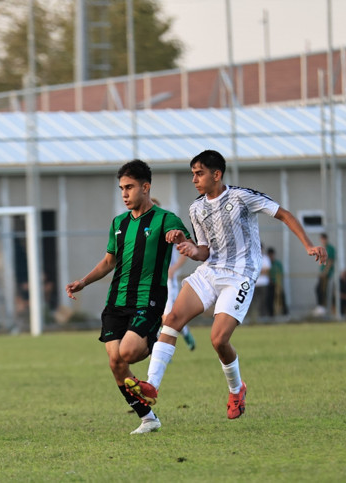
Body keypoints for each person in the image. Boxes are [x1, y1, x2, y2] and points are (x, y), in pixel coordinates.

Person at [125, 150, 326, 423]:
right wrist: (188, 247)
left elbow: (284, 214)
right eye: (192, 173)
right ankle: (152, 385)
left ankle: (236, 389)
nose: (194, 179)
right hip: (210, 271)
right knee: (171, 319)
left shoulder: (242, 197)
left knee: (218, 339)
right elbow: (204, 251)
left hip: (240, 274)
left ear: (216, 174)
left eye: (199, 173)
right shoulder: (196, 208)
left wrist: (308, 244)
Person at [66, 160, 191, 435]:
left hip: (149, 299)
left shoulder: (166, 219)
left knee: (128, 352)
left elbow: (190, 244)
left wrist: (181, 238)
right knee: (116, 362)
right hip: (117, 301)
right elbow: (109, 261)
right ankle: (147, 417)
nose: (124, 194)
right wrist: (83, 282)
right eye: (121, 188)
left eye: (130, 187)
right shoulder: (118, 223)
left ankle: (155, 337)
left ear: (146, 188)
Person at [152, 198, 195, 350]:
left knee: (167, 317)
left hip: (168, 281)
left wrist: (173, 268)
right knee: (154, 316)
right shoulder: (145, 233)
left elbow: (186, 250)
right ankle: (183, 332)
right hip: (150, 282)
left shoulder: (169, 230)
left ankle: (160, 350)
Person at [313, 233, 336, 316]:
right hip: (322, 273)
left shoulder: (330, 249)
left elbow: (330, 261)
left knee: (321, 290)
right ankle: (320, 307)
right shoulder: (322, 249)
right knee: (318, 289)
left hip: (326, 274)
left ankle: (322, 307)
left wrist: (325, 273)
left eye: (324, 239)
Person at [266, 247, 288, 316]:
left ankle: (285, 313)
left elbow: (280, 273)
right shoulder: (267, 264)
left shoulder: (277, 264)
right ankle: (271, 315)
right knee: (270, 300)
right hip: (269, 285)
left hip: (277, 284)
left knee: (282, 298)